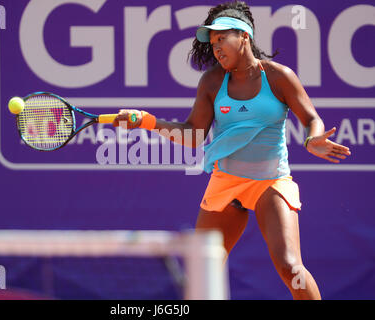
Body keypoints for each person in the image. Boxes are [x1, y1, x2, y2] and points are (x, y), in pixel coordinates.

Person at [113, 0, 351, 300]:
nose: (217, 48)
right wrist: (148, 122)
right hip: (226, 183)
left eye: (222, 39)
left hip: (270, 183)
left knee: (291, 268)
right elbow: (193, 135)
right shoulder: (212, 82)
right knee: (200, 277)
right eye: (213, 44)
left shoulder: (278, 77)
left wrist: (312, 138)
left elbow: (311, 119)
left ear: (245, 37)